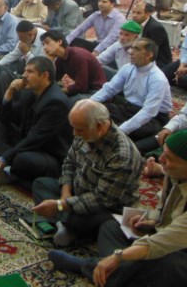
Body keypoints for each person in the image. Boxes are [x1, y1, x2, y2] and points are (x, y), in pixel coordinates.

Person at [47, 129, 187, 287]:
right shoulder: (174, 173)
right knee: (112, 227)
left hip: (178, 250)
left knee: (165, 261)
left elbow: (162, 242)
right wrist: (151, 220)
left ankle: (89, 267)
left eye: (168, 158)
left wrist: (118, 257)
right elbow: (164, 209)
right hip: (168, 235)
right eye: (163, 153)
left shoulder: (122, 152)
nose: (160, 159)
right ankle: (123, 272)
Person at [32, 100, 143, 247]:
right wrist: (65, 194)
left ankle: (66, 224)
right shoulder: (85, 133)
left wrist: (61, 205)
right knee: (40, 184)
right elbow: (69, 163)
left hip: (107, 208)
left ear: (99, 127)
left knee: (79, 220)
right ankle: (65, 224)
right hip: (78, 194)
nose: (74, 133)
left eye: (79, 130)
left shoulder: (122, 155)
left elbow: (101, 199)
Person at [0, 56, 73, 185]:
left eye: (30, 71)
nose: (24, 75)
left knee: (23, 159)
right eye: (25, 71)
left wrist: (3, 159)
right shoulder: (29, 91)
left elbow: (34, 138)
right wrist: (9, 92)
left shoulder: (56, 102)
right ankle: (4, 166)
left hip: (49, 154)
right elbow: (5, 119)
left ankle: (4, 165)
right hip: (29, 143)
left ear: (45, 75)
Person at [91, 38, 172, 153]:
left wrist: (121, 129)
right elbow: (109, 89)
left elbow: (148, 112)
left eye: (136, 49)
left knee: (112, 129)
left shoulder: (157, 78)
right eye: (131, 48)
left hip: (154, 118)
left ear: (149, 55)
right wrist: (88, 104)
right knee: (96, 113)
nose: (130, 52)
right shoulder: (127, 68)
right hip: (130, 109)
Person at [41, 29, 106, 98]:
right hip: (85, 90)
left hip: (97, 91)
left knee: (63, 100)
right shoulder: (60, 59)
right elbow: (53, 80)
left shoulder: (78, 56)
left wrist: (60, 91)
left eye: (47, 42)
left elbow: (81, 87)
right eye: (43, 44)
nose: (44, 47)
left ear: (59, 41)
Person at [130, 2, 172, 67]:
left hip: (157, 62)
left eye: (138, 13)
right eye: (133, 12)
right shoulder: (134, 24)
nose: (134, 15)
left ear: (148, 13)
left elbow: (151, 51)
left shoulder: (156, 28)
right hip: (139, 55)